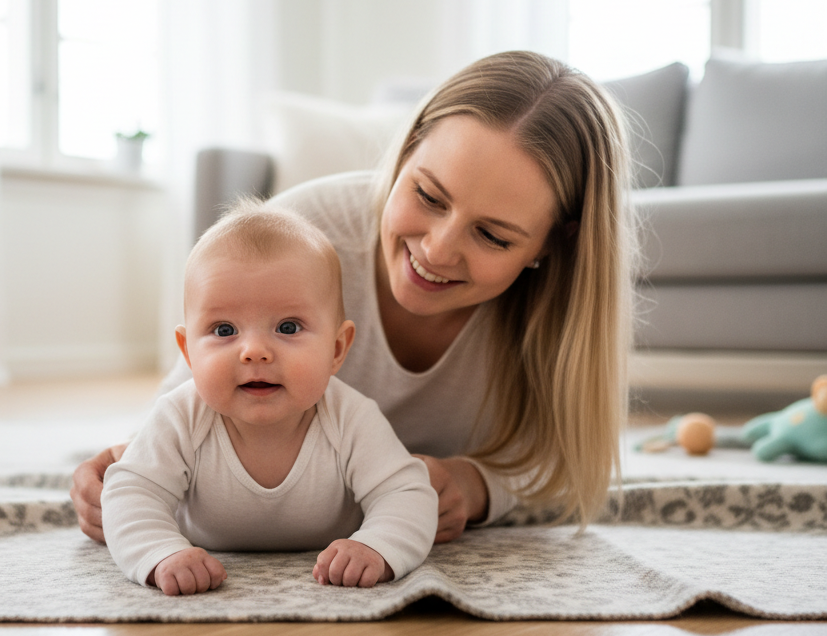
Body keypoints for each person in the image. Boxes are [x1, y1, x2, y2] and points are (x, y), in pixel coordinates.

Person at [75, 50, 633, 545]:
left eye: (492, 236)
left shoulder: (555, 314)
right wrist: (126, 470)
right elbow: (185, 408)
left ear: (554, 244)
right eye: (428, 195)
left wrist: (476, 485)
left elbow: (565, 471)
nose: (437, 251)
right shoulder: (300, 237)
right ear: (406, 153)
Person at [102, 200, 438, 595]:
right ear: (188, 352)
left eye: (288, 326)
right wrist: (161, 553)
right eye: (225, 330)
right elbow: (131, 493)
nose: (254, 351)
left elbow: (406, 493)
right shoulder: (180, 416)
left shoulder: (351, 417)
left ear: (336, 349)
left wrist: (376, 545)